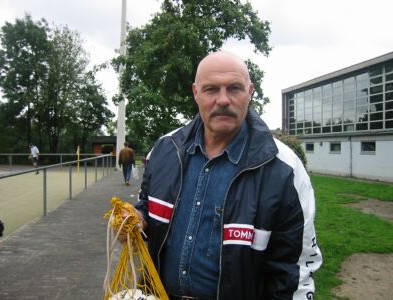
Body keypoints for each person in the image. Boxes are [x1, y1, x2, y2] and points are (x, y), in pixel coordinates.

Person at [128, 51, 322, 299]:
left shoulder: (284, 167)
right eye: (211, 89)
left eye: (234, 88)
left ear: (250, 92)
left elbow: (295, 270)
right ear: (195, 92)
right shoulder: (165, 149)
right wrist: (137, 219)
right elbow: (147, 207)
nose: (223, 100)